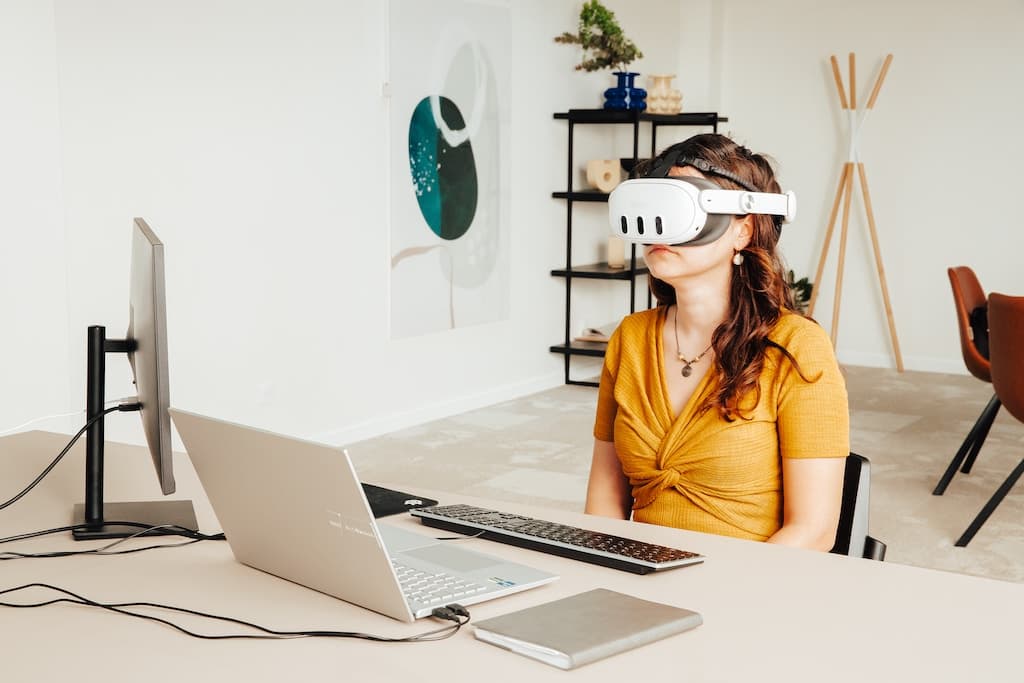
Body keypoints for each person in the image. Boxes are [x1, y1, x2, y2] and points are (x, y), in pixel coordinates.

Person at [584, 133, 849, 551]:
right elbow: (603, 504)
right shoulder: (630, 339)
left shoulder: (798, 346)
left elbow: (813, 532)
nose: (660, 229)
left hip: (751, 587)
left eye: (681, 208)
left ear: (743, 230)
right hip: (640, 575)